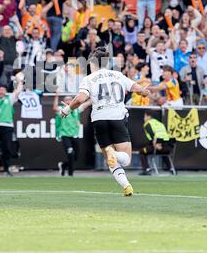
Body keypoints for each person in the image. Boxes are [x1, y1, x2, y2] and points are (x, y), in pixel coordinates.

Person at [61, 47, 150, 196]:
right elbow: (138, 88)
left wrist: (67, 109)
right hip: (117, 118)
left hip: (99, 120)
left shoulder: (88, 79)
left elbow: (80, 99)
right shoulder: (118, 75)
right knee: (126, 159)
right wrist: (144, 91)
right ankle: (116, 159)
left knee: (110, 158)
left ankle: (127, 186)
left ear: (93, 63)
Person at [0, 80, 23, 176]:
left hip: (7, 126)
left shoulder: (9, 98)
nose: (1, 91)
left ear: (5, 91)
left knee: (7, 148)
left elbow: (17, 91)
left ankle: (6, 170)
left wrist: (20, 81)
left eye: (3, 90)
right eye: (0, 90)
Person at [53, 90, 82, 177]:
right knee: (70, 153)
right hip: (65, 135)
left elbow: (86, 103)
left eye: (70, 99)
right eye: (66, 100)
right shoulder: (61, 109)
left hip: (74, 135)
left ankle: (63, 165)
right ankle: (70, 174)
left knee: (75, 156)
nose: (68, 101)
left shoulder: (76, 110)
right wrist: (57, 95)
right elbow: (54, 107)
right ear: (64, 101)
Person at [139, 111, 174, 176]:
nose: (144, 118)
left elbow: (152, 135)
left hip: (157, 147)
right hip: (167, 148)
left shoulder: (147, 123)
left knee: (141, 151)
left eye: (144, 116)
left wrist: (157, 145)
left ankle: (147, 170)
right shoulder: (160, 123)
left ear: (148, 116)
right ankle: (170, 168)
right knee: (164, 153)